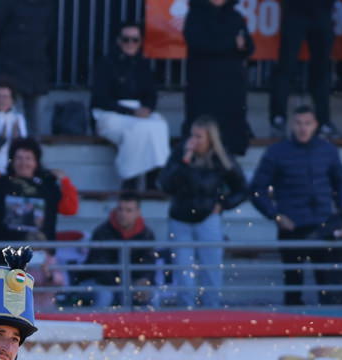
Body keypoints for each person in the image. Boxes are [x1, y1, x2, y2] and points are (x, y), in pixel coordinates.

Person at [250, 105, 342, 306]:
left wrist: (340, 213)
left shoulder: (328, 150)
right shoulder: (276, 152)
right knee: (293, 287)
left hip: (323, 226)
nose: (303, 128)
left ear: (315, 125)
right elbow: (256, 190)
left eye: (307, 123)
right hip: (291, 227)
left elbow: (341, 182)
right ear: (291, 125)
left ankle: (330, 323)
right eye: (299, 123)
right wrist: (275, 215)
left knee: (327, 286)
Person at [159, 116, 247, 308]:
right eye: (192, 135)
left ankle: (212, 309)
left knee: (211, 269)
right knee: (183, 270)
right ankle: (186, 310)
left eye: (199, 137)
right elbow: (165, 185)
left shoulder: (220, 158)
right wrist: (184, 161)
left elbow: (241, 188)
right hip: (180, 218)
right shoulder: (179, 154)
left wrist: (223, 204)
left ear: (209, 139)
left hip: (207, 217)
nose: (194, 140)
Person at [90, 23, 170, 185]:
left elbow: (151, 93)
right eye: (126, 39)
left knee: (159, 126)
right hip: (111, 114)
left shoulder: (143, 65)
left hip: (138, 111)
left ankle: (154, 179)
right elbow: (100, 99)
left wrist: (147, 108)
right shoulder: (106, 64)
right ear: (118, 41)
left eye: (135, 40)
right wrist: (130, 112)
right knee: (138, 130)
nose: (130, 44)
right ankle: (129, 179)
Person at [0, 136, 78, 244]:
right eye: (19, 158)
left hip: (40, 251)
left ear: (36, 162)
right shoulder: (0, 183)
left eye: (28, 158)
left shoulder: (47, 185)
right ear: (12, 161)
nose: (23, 163)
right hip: (4, 251)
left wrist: (65, 181)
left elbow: (69, 210)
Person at [182, 0, 254, 157]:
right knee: (203, 122)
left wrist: (242, 46)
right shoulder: (195, 15)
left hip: (231, 83)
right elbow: (197, 43)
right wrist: (231, 44)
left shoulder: (235, 16)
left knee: (230, 130)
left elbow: (248, 45)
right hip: (203, 83)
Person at [77, 191, 162, 307]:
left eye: (128, 210)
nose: (123, 214)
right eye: (120, 209)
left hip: (130, 283)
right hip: (99, 282)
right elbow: (100, 267)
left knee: (153, 296)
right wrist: (124, 285)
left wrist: (143, 281)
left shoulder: (147, 234)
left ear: (138, 212)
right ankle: (98, 319)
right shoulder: (102, 232)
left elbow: (148, 262)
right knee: (105, 295)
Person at [0, 0, 54, 137]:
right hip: (14, 68)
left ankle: (29, 148)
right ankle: (19, 147)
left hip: (31, 68)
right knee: (12, 117)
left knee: (30, 120)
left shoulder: (45, 5)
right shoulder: (8, 4)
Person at [268, 0, 336, 133]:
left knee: (322, 68)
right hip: (295, 11)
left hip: (322, 11)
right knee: (286, 66)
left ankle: (323, 120)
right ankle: (278, 117)